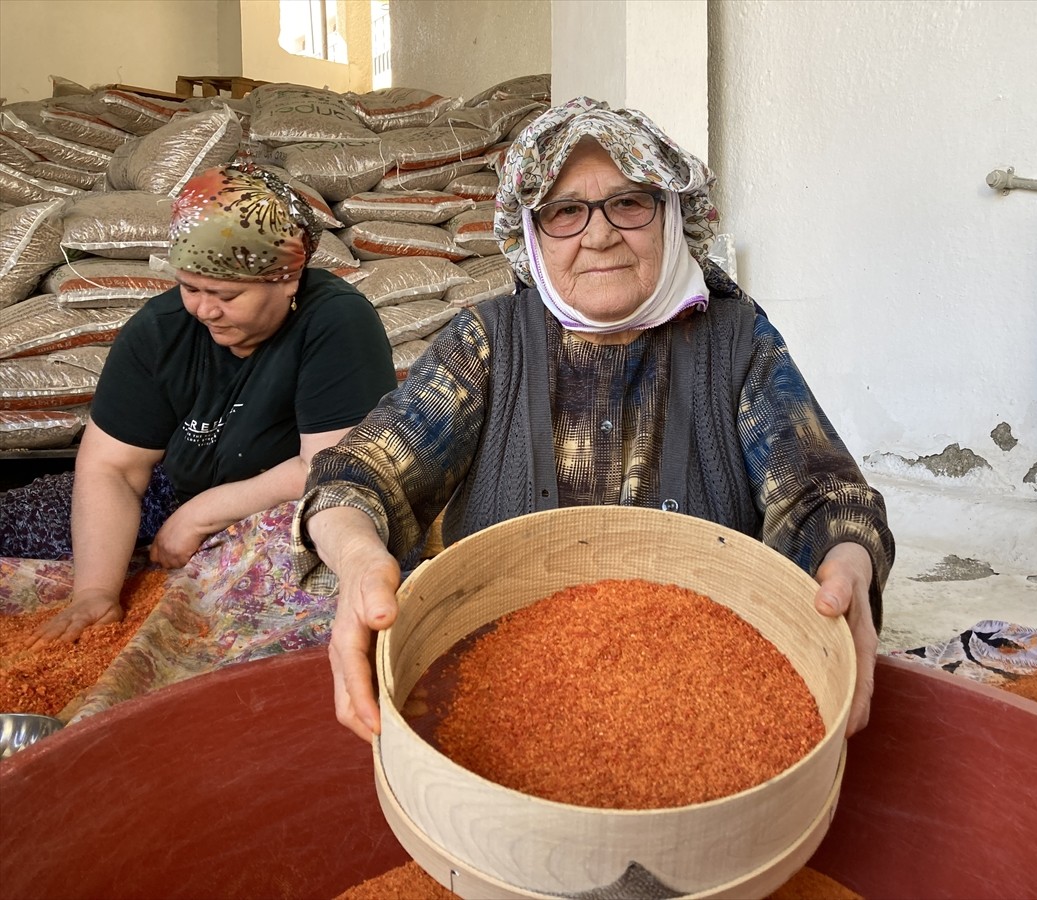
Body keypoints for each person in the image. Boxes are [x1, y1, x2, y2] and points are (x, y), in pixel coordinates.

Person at [292, 97, 895, 742]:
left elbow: (823, 495)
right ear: (530, 233)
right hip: (506, 690)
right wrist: (357, 558)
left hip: (698, 693)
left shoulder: (735, 340)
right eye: (564, 211)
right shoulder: (492, 341)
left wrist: (849, 559)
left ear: (672, 216)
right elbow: (356, 478)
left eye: (630, 202)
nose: (599, 235)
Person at [5, 165, 396, 649]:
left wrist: (201, 515)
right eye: (191, 288)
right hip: (176, 487)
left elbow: (330, 467)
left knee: (296, 583)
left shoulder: (336, 321)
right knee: (13, 521)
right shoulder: (160, 329)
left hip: (288, 504)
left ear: (288, 279)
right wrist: (94, 591)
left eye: (227, 295)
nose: (205, 311)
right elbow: (113, 469)